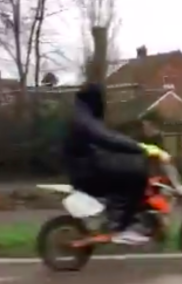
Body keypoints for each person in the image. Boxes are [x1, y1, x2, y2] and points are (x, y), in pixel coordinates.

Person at [63, 83, 169, 245]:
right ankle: (120, 225)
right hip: (86, 172)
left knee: (133, 167)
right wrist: (140, 147)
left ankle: (133, 218)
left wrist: (135, 149)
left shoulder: (83, 116)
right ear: (95, 100)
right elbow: (107, 139)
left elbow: (108, 138)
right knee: (136, 174)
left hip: (88, 166)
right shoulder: (83, 120)